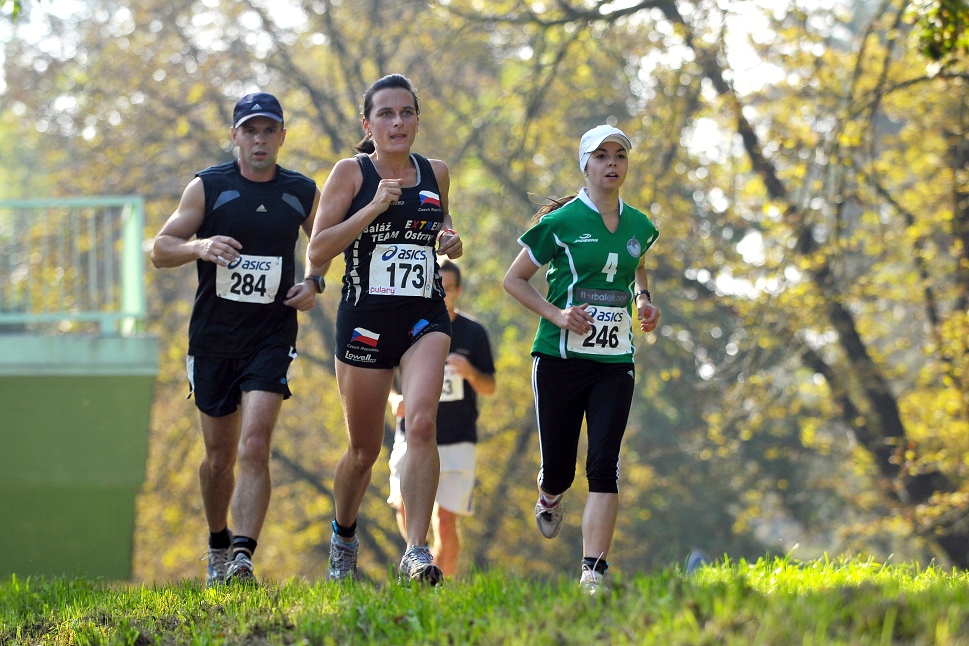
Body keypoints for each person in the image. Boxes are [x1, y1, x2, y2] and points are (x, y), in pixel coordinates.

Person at [151, 92, 327, 585]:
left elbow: (322, 244)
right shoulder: (208, 187)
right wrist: (200, 245)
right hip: (212, 339)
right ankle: (217, 543)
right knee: (219, 457)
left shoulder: (300, 190)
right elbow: (161, 250)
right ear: (235, 136)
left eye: (269, 130)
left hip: (271, 335)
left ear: (282, 137)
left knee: (254, 445)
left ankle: (244, 557)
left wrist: (314, 282)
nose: (260, 139)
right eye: (250, 130)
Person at [307, 73, 463, 585]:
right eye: (386, 114)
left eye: (406, 113)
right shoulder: (350, 174)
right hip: (365, 323)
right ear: (367, 124)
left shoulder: (435, 172)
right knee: (363, 451)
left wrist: (448, 240)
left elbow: (437, 231)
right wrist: (373, 207)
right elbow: (318, 250)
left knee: (421, 423)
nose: (398, 123)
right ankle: (344, 534)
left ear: (417, 119)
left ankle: (417, 551)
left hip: (424, 317)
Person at [502, 124, 660, 595]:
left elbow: (637, 263)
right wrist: (558, 314)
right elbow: (514, 280)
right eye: (602, 156)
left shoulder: (639, 224)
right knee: (560, 469)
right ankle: (549, 494)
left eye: (620, 156)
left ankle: (593, 571)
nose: (612, 163)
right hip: (559, 358)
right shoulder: (562, 223)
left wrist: (645, 301)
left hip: (615, 360)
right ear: (585, 165)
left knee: (604, 464)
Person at [386, 259, 496, 578]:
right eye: (436, 288)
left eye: (447, 289)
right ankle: (418, 563)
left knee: (446, 523)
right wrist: (397, 402)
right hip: (411, 436)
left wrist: (471, 372)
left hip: (457, 439)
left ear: (458, 291)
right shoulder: (408, 329)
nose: (441, 295)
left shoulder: (473, 333)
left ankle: (438, 587)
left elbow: (490, 386)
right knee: (406, 507)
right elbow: (390, 385)